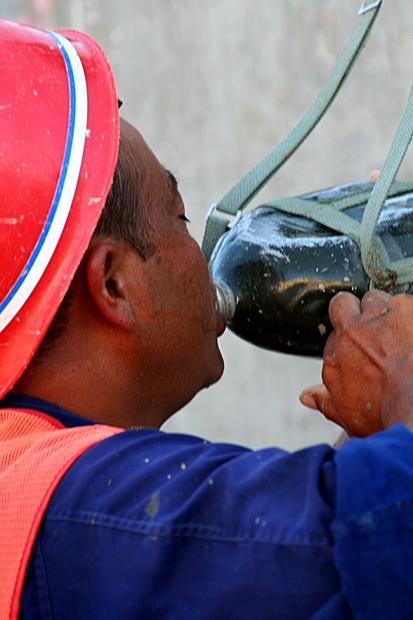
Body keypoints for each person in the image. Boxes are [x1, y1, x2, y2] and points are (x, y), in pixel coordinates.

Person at [2, 18, 413, 620]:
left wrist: (381, 430)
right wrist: (400, 371)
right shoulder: (81, 512)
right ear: (113, 283)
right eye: (181, 217)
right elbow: (393, 530)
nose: (205, 255)